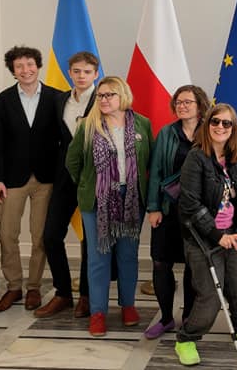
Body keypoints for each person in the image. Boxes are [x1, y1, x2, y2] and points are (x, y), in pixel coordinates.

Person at [66, 76, 153, 336]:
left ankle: (128, 306)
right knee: (98, 257)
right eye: (101, 95)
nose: (103, 100)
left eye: (109, 95)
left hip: (132, 199)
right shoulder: (87, 125)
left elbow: (149, 160)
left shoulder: (142, 123)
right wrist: (90, 185)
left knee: (128, 255)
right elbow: (72, 162)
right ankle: (98, 312)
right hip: (97, 201)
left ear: (122, 96)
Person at [174, 103, 237, 366]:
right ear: (207, 124)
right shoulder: (196, 158)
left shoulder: (236, 157)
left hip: (232, 233)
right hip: (203, 237)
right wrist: (217, 235)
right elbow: (190, 204)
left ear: (233, 129)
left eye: (226, 123)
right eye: (215, 121)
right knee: (211, 296)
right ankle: (186, 338)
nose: (220, 127)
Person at [0, 46, 62, 313]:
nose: (25, 70)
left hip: (46, 178)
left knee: (40, 236)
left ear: (38, 66)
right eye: (19, 66)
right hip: (11, 178)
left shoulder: (57, 98)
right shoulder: (3, 101)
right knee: (7, 234)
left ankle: (33, 287)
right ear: (13, 70)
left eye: (30, 64)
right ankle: (13, 287)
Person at [35, 51, 99, 319]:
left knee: (90, 240)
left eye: (87, 72)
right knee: (50, 235)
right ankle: (63, 293)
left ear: (95, 74)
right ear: (70, 73)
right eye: (77, 71)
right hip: (64, 177)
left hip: (95, 179)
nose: (81, 76)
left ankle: (87, 295)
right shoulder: (59, 99)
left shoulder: (104, 99)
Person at [144, 85, 210, 338]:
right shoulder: (167, 133)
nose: (182, 106)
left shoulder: (211, 130)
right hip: (168, 209)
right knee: (161, 263)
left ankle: (189, 317)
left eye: (187, 102)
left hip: (198, 213)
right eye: (178, 102)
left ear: (199, 105)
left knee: (193, 266)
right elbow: (156, 172)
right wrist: (153, 207)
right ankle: (166, 318)